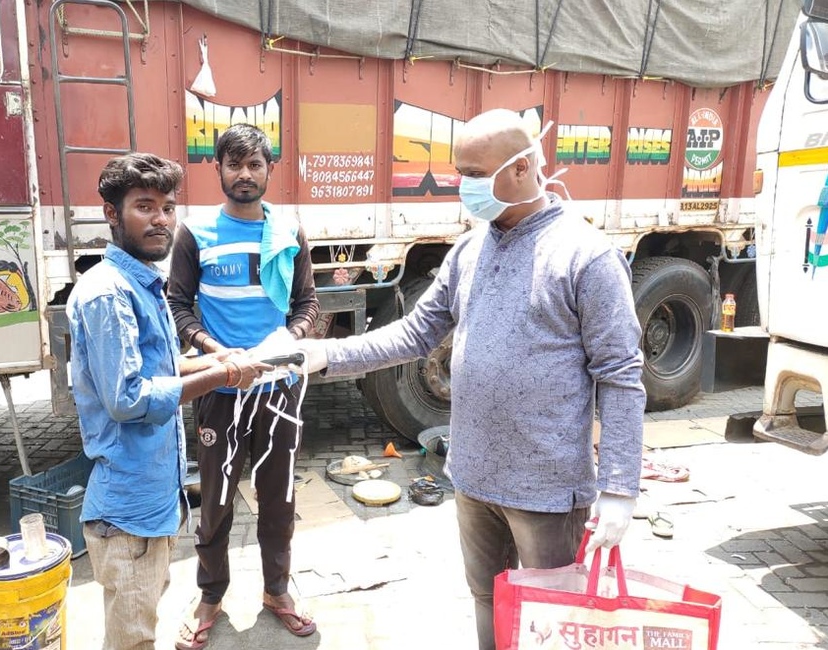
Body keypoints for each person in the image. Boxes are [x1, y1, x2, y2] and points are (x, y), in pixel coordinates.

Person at [295, 109, 645, 649]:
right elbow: (414, 335)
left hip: (546, 491)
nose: (464, 187)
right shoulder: (470, 250)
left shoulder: (586, 256)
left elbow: (621, 377)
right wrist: (324, 355)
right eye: (461, 172)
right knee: (488, 600)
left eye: (476, 174)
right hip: (474, 476)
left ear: (524, 167)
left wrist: (620, 489)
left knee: (551, 620)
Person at [66, 153, 272, 650]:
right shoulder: (108, 293)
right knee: (133, 639)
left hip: (152, 502)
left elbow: (155, 369)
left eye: (167, 207)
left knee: (141, 619)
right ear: (112, 215)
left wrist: (219, 360)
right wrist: (224, 374)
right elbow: (130, 398)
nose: (161, 220)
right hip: (127, 513)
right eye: (144, 207)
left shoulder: (142, 280)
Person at [167, 124, 320, 649]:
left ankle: (277, 592)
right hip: (219, 388)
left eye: (255, 165)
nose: (245, 175)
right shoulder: (195, 233)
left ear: (269, 170)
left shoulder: (288, 232)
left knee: (278, 498)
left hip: (279, 389)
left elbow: (307, 306)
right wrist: (217, 353)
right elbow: (178, 304)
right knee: (216, 500)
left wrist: (283, 341)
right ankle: (210, 596)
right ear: (218, 170)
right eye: (234, 165)